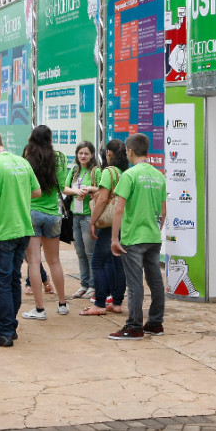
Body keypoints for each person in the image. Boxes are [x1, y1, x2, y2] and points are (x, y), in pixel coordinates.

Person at [0, 127, 40, 347]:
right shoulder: (22, 162)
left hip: (2, 230)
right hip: (23, 228)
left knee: (0, 281)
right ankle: (9, 325)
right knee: (13, 279)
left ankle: (3, 332)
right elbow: (36, 192)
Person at [108, 133, 167, 340]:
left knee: (134, 284)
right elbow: (163, 211)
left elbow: (119, 209)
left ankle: (134, 326)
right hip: (152, 236)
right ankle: (155, 323)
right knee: (155, 281)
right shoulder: (159, 176)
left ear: (129, 151)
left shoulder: (130, 176)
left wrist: (115, 238)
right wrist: (155, 229)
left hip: (133, 238)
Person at [21, 125, 70, 319]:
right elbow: (62, 184)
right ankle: (62, 304)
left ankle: (40, 309)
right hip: (53, 213)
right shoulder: (59, 158)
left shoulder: (27, 159)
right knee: (54, 260)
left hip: (31, 212)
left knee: (34, 261)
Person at [82, 140, 129, 316]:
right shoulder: (125, 172)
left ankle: (100, 302)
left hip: (109, 224)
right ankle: (117, 302)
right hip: (124, 222)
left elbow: (102, 200)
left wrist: (92, 221)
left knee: (98, 262)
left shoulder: (109, 172)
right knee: (118, 264)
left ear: (109, 153)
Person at [62, 141, 100, 299]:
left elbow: (102, 189)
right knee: (80, 252)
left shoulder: (95, 171)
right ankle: (83, 284)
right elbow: (64, 188)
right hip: (75, 215)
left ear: (92, 155)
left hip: (89, 215)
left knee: (90, 252)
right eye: (80, 153)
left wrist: (89, 189)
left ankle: (93, 285)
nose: (83, 156)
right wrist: (76, 191)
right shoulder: (75, 170)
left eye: (86, 153)